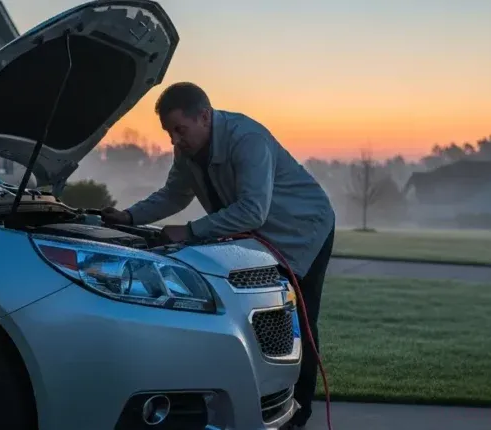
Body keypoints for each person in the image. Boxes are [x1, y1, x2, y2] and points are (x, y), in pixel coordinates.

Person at [101, 82, 335, 429]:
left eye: (180, 129)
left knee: (297, 321)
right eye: (169, 132)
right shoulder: (187, 151)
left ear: (205, 117)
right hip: (260, 238)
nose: (174, 140)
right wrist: (130, 216)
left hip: (305, 230)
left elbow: (253, 210)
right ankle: (255, 402)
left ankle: (297, 414)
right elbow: (174, 195)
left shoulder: (248, 139)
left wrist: (190, 231)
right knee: (256, 319)